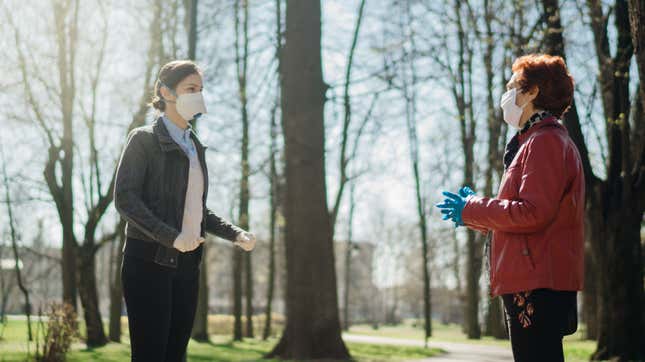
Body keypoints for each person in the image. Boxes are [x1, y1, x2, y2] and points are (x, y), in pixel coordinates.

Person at [435, 54, 585, 362]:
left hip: (536, 283)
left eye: (512, 86)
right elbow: (527, 212)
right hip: (533, 279)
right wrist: (471, 214)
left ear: (532, 92)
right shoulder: (534, 141)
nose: (507, 95)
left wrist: (473, 208)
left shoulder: (545, 141)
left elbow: (532, 212)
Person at [114, 60, 256, 362]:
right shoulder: (144, 140)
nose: (198, 95)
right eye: (191, 88)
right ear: (166, 91)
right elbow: (125, 198)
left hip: (188, 266)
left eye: (201, 89)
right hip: (148, 262)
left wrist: (235, 233)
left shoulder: (195, 146)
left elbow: (198, 209)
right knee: (151, 355)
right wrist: (170, 237)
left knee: (175, 355)